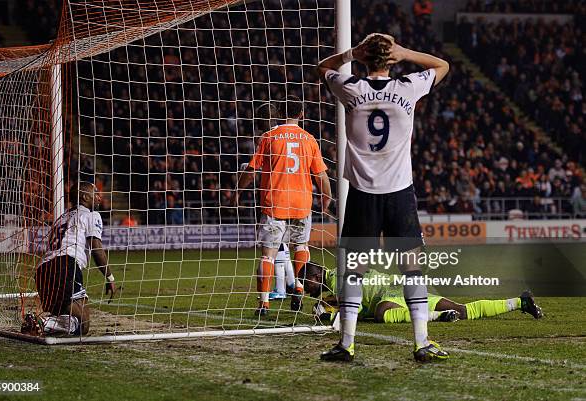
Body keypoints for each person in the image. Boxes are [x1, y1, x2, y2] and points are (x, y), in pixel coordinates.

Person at [317, 33, 450, 362]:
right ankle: (421, 342)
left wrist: (352, 53)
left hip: (362, 195)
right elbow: (442, 65)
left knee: (353, 271)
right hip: (399, 194)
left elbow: (323, 67)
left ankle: (346, 343)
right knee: (413, 270)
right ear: (392, 59)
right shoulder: (408, 86)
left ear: (364, 57)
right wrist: (405, 52)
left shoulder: (351, 88)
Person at [233, 96, 333, 316]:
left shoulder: (269, 137)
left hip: (275, 203)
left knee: (268, 256)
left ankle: (264, 304)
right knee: (301, 247)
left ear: (278, 111)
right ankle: (298, 287)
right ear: (302, 114)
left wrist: (237, 191)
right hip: (302, 203)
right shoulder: (309, 139)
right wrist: (326, 196)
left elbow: (252, 170)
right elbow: (322, 174)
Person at [302, 262, 543, 324]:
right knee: (463, 310)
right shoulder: (338, 276)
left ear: (315, 277)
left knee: (382, 313)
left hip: (394, 289)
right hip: (402, 287)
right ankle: (519, 302)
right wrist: (329, 311)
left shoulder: (334, 279)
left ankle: (439, 317)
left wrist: (327, 309)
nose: (307, 290)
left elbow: (348, 301)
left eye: (307, 284)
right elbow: (357, 307)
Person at [25, 182, 116, 336]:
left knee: (69, 318)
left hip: (44, 270)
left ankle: (43, 324)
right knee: (83, 325)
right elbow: (96, 248)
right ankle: (43, 323)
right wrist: (109, 276)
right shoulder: (90, 214)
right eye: (96, 194)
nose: (99, 198)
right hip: (65, 266)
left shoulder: (62, 217)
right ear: (85, 197)